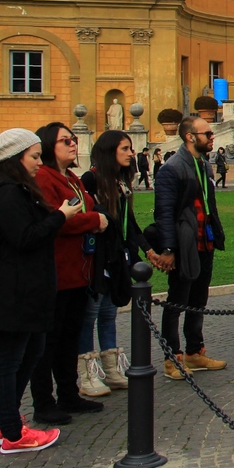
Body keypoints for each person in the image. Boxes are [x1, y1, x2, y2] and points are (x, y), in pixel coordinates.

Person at [0, 128, 78, 454]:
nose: (38, 164)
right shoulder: (4, 192)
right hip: (9, 287)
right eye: (34, 157)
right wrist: (60, 216)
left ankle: (6, 420)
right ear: (16, 158)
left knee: (32, 350)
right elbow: (24, 237)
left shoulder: (14, 189)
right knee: (8, 359)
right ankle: (12, 433)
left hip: (25, 286)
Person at [29, 123, 108, 424]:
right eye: (65, 141)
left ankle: (69, 393)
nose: (73, 144)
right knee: (49, 341)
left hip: (79, 271)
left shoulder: (72, 177)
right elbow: (58, 219)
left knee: (69, 338)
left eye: (73, 140)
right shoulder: (44, 177)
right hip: (57, 271)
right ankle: (43, 402)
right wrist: (94, 220)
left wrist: (90, 218)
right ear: (49, 146)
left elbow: (80, 210)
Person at [150, 116, 228, 379]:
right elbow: (164, 213)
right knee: (177, 302)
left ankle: (195, 352)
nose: (212, 137)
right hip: (184, 244)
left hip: (204, 242)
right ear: (190, 137)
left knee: (198, 300)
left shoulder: (203, 165)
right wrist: (168, 250)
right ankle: (172, 358)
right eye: (207, 133)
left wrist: (216, 234)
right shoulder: (171, 169)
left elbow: (210, 206)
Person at [76, 130, 140, 396]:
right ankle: (86, 372)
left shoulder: (120, 181)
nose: (131, 153)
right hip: (97, 257)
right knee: (90, 314)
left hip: (116, 257)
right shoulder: (90, 179)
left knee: (109, 313)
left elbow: (130, 223)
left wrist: (145, 251)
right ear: (109, 151)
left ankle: (111, 368)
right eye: (125, 148)